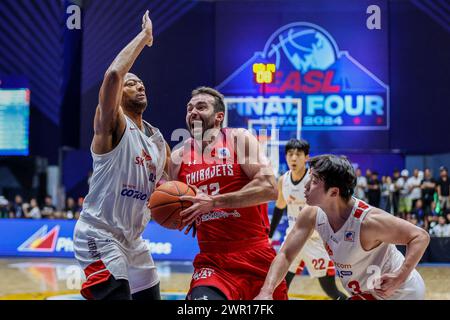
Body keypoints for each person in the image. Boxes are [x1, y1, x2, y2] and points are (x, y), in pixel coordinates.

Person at [73, 11, 169, 300]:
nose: (139, 85)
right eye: (132, 83)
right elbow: (114, 74)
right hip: (98, 233)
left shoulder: (158, 140)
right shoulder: (111, 124)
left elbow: (167, 184)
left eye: (141, 83)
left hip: (134, 241)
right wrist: (145, 37)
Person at [169, 86, 287, 300]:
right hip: (212, 261)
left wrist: (214, 202)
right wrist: (180, 214)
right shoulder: (178, 157)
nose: (193, 112)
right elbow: (170, 206)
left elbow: (269, 188)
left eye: (201, 107)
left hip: (255, 254)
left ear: (218, 116)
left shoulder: (237, 139)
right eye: (189, 108)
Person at [256, 155, 429, 300]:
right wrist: (266, 291)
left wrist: (400, 277)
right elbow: (286, 254)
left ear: (334, 192)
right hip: (365, 293)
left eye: (314, 181)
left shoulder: (367, 221)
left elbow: (420, 236)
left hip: (401, 292)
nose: (306, 185)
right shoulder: (311, 214)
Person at [269, 139, 347, 300]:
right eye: (290, 154)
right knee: (281, 286)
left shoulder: (315, 180)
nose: (293, 158)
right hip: (292, 238)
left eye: (298, 154)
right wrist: (269, 235)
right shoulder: (283, 179)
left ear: (306, 158)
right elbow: (279, 206)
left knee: (330, 290)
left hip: (315, 240)